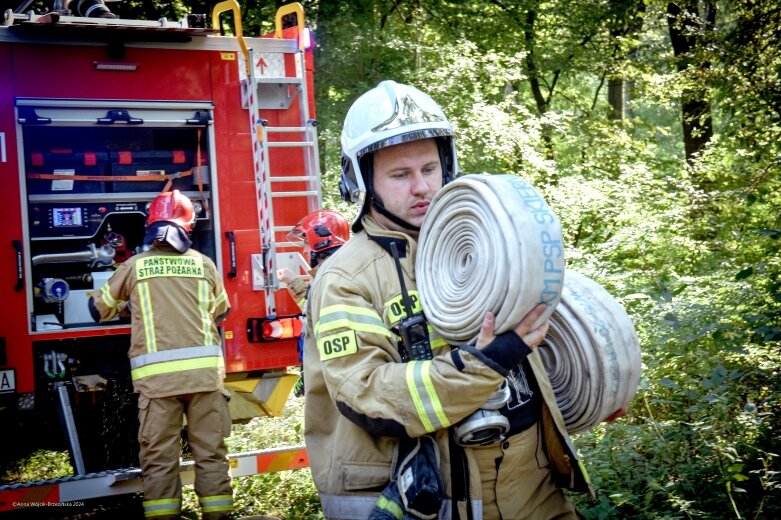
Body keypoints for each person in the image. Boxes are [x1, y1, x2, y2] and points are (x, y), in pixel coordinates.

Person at [303, 80, 596, 520]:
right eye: (400, 175)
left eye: (429, 169)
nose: (421, 187)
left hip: (532, 485)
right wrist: (486, 363)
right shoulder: (347, 277)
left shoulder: (480, 243)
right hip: (432, 497)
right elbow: (366, 394)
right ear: (361, 181)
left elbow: (534, 335)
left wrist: (597, 382)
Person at [89, 190, 233, 520]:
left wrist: (131, 306)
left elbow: (100, 309)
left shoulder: (134, 267)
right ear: (188, 227)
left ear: (151, 226)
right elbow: (220, 311)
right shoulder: (204, 264)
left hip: (157, 386)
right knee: (211, 454)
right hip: (205, 381)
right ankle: (220, 515)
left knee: (159, 458)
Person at [277, 210, 349, 395]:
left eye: (306, 243)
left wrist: (312, 376)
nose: (304, 250)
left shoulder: (334, 278)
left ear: (322, 241)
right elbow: (311, 307)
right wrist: (293, 282)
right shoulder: (330, 276)